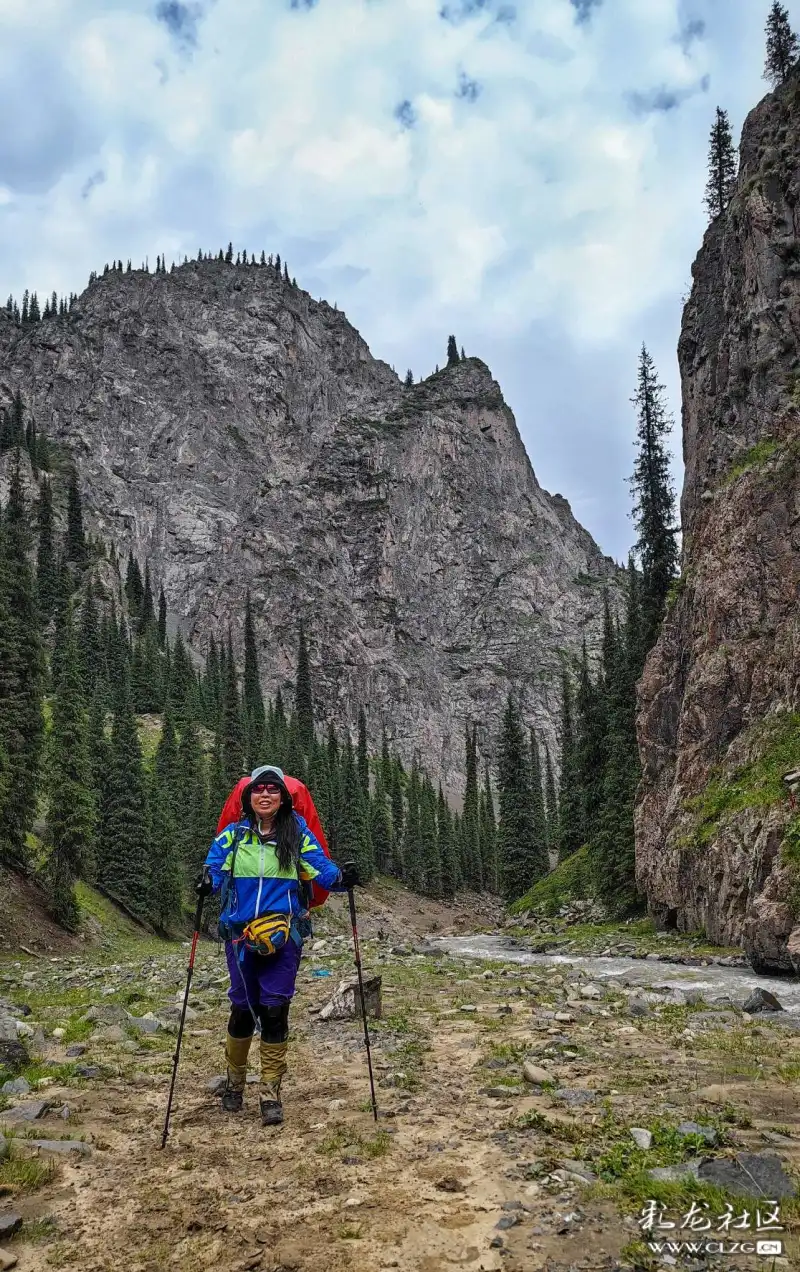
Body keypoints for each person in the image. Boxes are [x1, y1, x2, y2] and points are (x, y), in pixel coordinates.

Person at [198, 764, 360, 1126]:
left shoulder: (297, 833)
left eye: (272, 790)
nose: (265, 795)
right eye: (258, 790)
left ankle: (270, 1091)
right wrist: (207, 882)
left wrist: (342, 878)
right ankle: (235, 1084)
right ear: (248, 798)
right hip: (239, 936)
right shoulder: (232, 836)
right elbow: (214, 869)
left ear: (284, 798)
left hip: (284, 936)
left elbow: (321, 868)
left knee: (275, 1010)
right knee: (241, 1009)